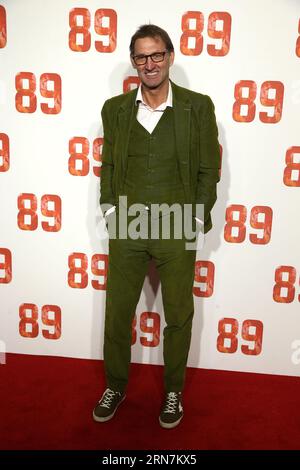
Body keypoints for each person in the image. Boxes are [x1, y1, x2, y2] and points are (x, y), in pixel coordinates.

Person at [93, 24, 220, 429]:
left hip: (177, 224)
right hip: (128, 224)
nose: (150, 63)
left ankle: (172, 392)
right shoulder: (114, 109)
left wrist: (197, 216)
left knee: (179, 315)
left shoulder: (197, 106)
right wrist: (111, 211)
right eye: (142, 56)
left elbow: (208, 169)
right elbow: (108, 165)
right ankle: (116, 385)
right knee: (117, 314)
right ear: (134, 61)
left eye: (157, 55)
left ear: (170, 56)